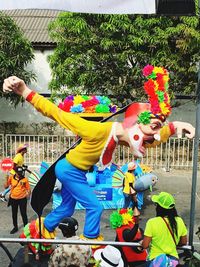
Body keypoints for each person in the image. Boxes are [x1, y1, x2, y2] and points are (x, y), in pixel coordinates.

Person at [2, 65, 195, 240]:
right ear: (136, 124)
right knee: (94, 206)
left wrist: (176, 126)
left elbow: (153, 140)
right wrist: (24, 90)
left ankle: (40, 231)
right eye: (153, 128)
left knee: (67, 207)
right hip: (69, 170)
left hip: (76, 172)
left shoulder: (119, 136)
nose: (153, 138)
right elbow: (56, 113)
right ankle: (91, 245)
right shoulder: (97, 131)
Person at [142, 192, 188, 266]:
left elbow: (145, 245)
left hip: (155, 261)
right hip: (173, 261)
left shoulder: (152, 222)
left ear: (159, 208)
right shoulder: (179, 221)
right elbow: (184, 242)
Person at [5, 166, 31, 234]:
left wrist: (28, 195)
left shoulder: (25, 179)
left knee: (23, 213)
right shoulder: (11, 177)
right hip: (13, 199)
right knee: (14, 214)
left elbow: (28, 189)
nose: (20, 174)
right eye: (18, 173)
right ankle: (15, 227)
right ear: (15, 172)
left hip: (22, 199)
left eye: (21, 173)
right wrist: (6, 179)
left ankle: (26, 228)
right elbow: (6, 187)